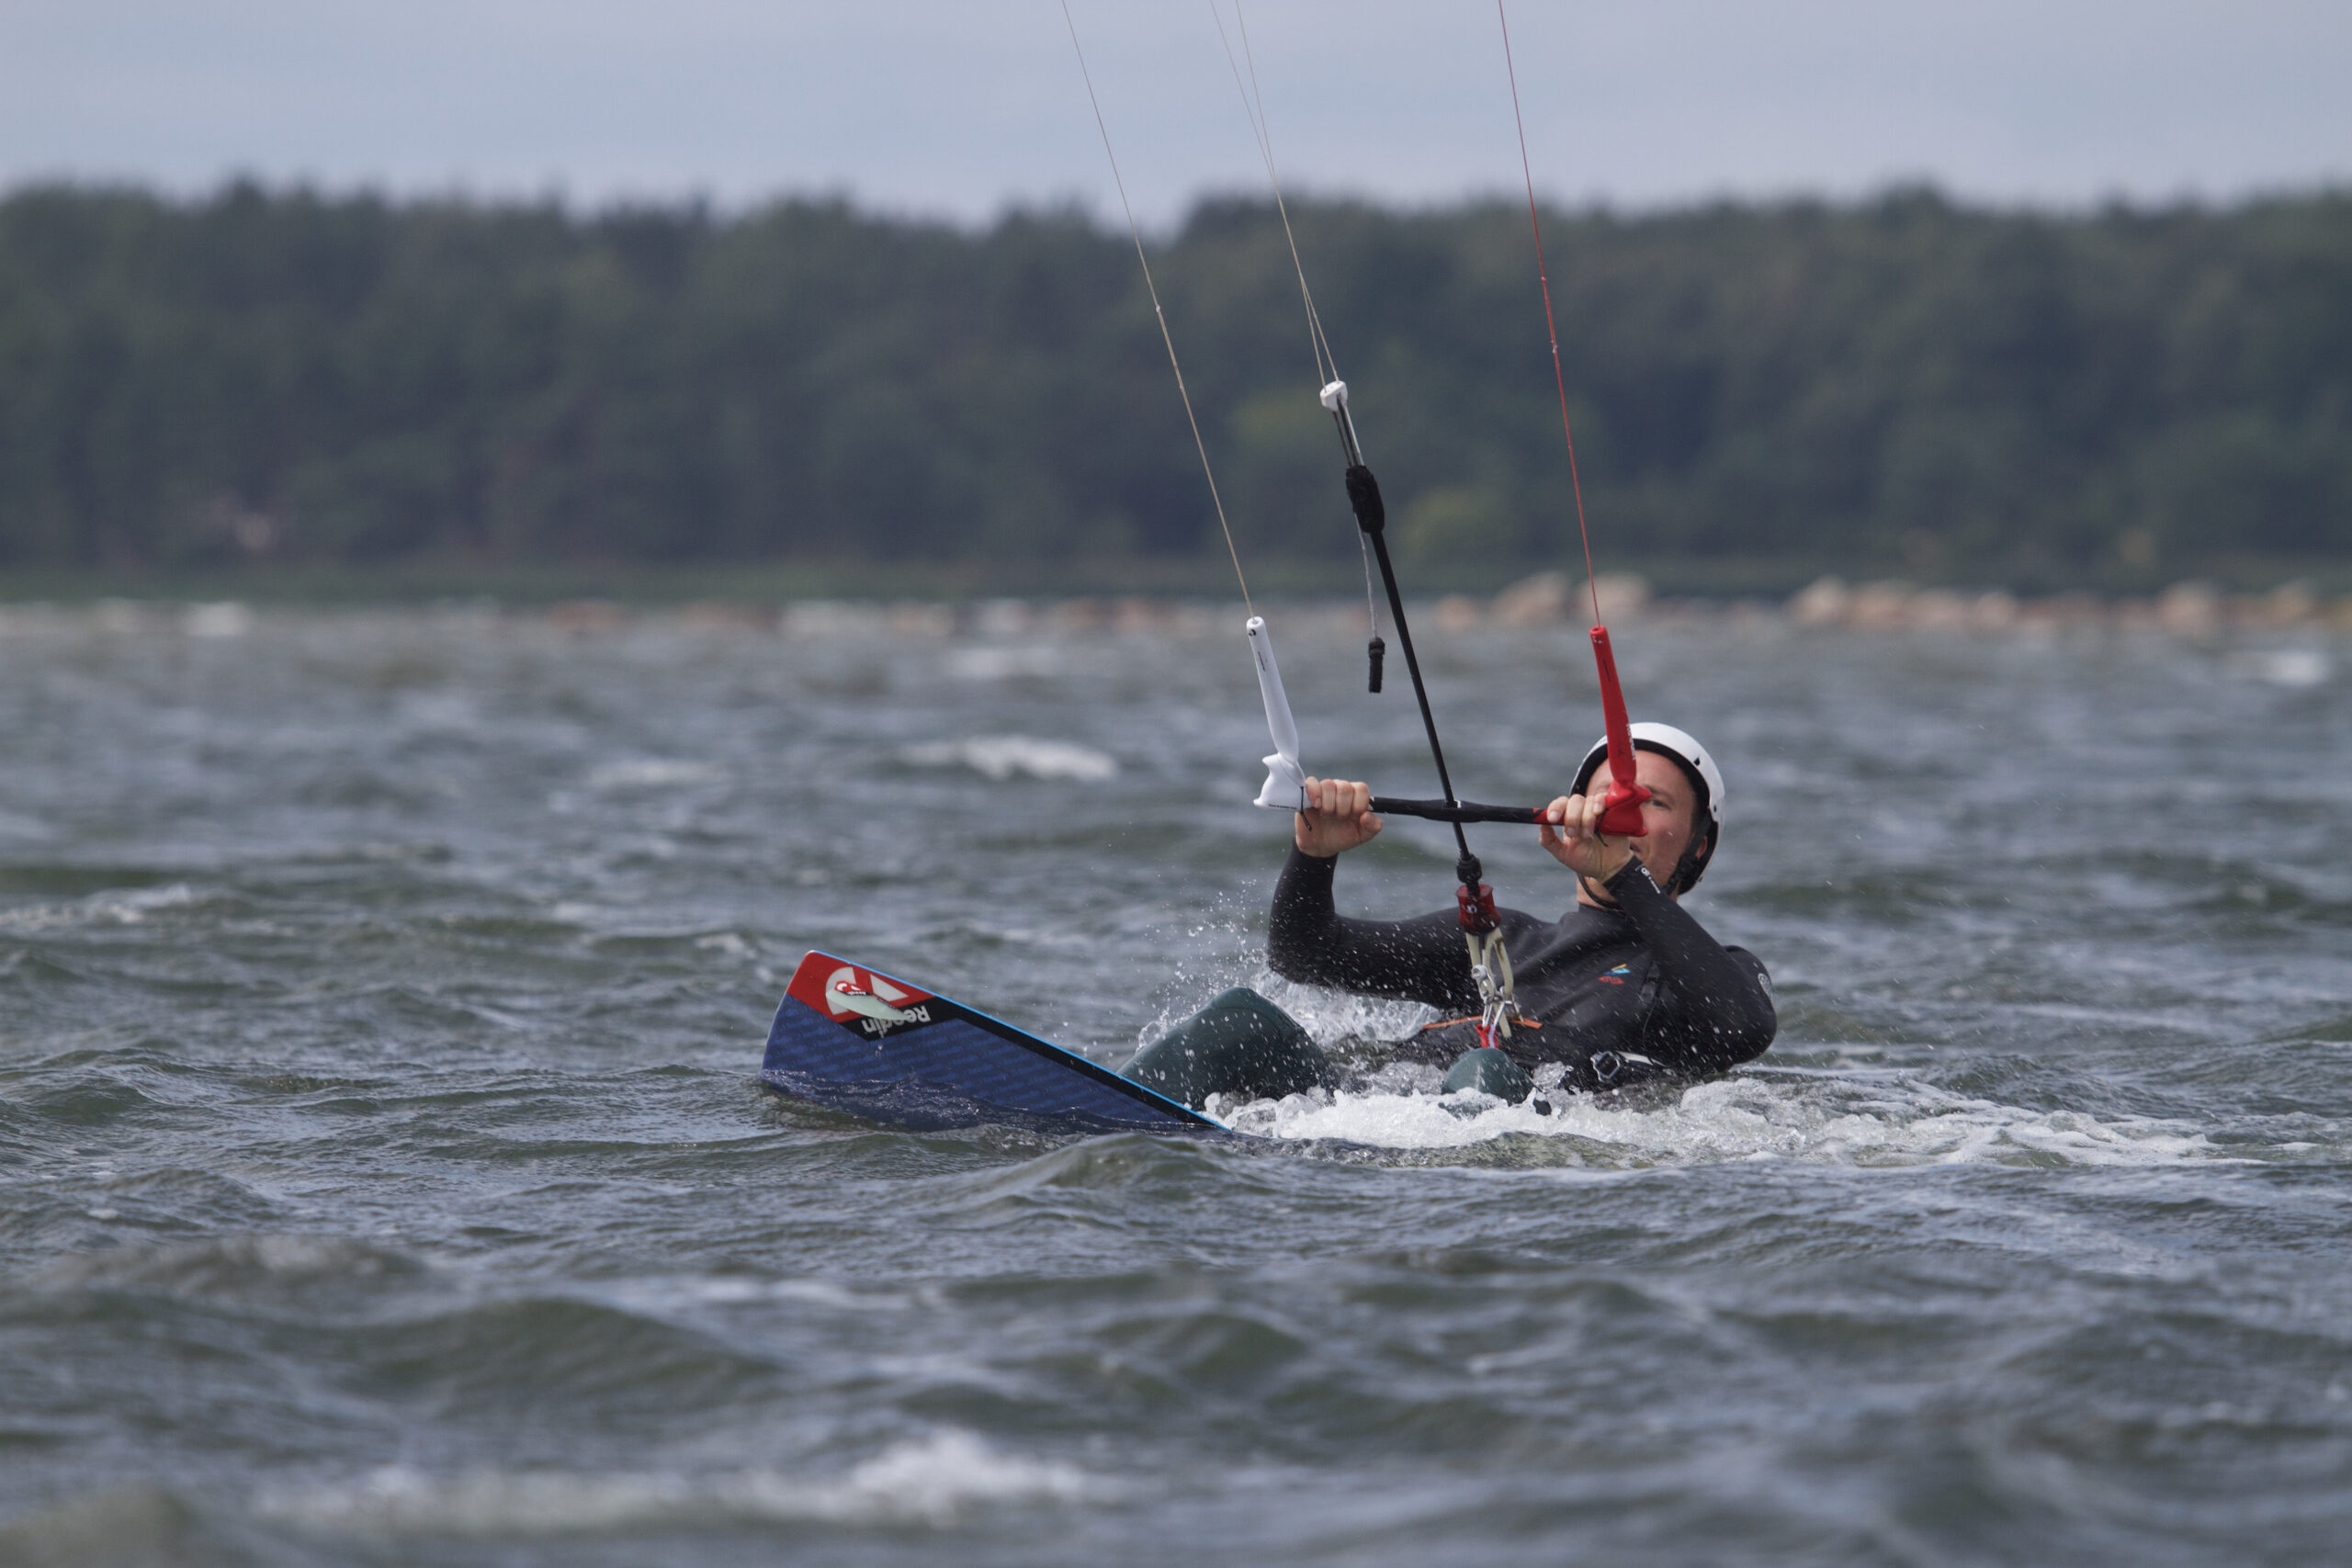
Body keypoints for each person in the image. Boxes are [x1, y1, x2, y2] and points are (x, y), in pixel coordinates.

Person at [1123, 723, 1776, 1109]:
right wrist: (1314, 857)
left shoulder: (1709, 978)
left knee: (1482, 1073)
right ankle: (1092, 1123)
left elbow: (1743, 1029)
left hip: (1464, 1159)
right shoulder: (1497, 938)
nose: (1618, 814)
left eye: (1652, 802)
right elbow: (1304, 955)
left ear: (1699, 846)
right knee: (1240, 1019)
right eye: (1604, 797)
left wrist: (1623, 875)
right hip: (1363, 1121)